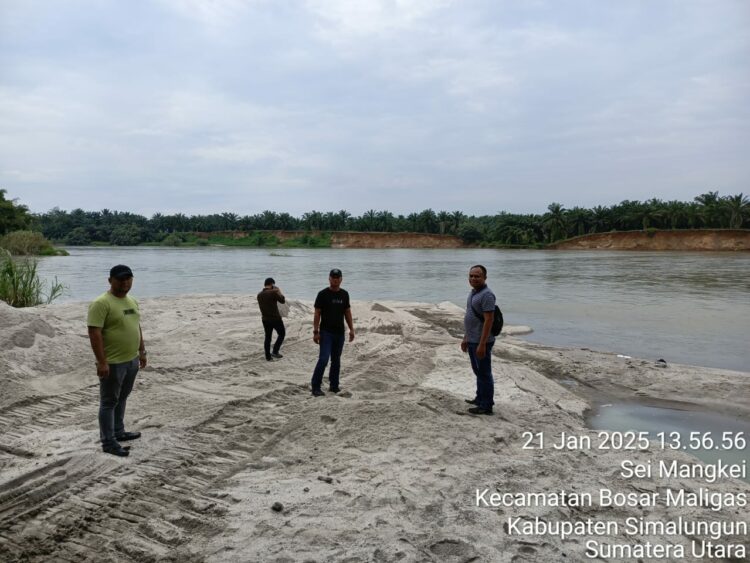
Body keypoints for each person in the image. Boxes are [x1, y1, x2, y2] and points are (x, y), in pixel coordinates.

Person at [87, 265, 147, 456]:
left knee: (122, 397)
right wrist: (102, 362)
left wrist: (142, 350)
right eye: (121, 279)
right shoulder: (101, 303)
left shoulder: (132, 301)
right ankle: (108, 442)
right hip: (112, 362)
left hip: (131, 359)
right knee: (108, 402)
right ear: (110, 280)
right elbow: (94, 333)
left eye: (129, 279)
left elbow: (136, 326)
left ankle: (119, 432)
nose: (125, 282)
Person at [310, 268, 355, 396]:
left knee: (336, 360)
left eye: (337, 277)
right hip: (326, 332)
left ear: (341, 279)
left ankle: (334, 385)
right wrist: (315, 331)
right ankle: (315, 386)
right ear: (329, 278)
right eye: (333, 277)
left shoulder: (344, 294)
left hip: (339, 333)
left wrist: (351, 329)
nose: (335, 280)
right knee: (323, 359)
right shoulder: (322, 294)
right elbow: (317, 313)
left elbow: (347, 312)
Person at [461, 264, 496, 415]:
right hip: (473, 339)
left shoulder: (487, 295)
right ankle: (480, 397)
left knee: (484, 373)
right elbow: (471, 317)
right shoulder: (473, 293)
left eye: (477, 276)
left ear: (485, 278)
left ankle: (486, 406)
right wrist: (465, 338)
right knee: (478, 371)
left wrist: (482, 344)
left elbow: (489, 320)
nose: (473, 278)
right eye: (471, 276)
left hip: (482, 341)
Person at [257, 277, 286, 361]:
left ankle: (268, 357)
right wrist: (279, 291)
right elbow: (282, 300)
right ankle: (275, 351)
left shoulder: (259, 294)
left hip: (265, 319)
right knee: (282, 334)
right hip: (275, 318)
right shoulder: (273, 292)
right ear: (272, 284)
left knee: (268, 337)